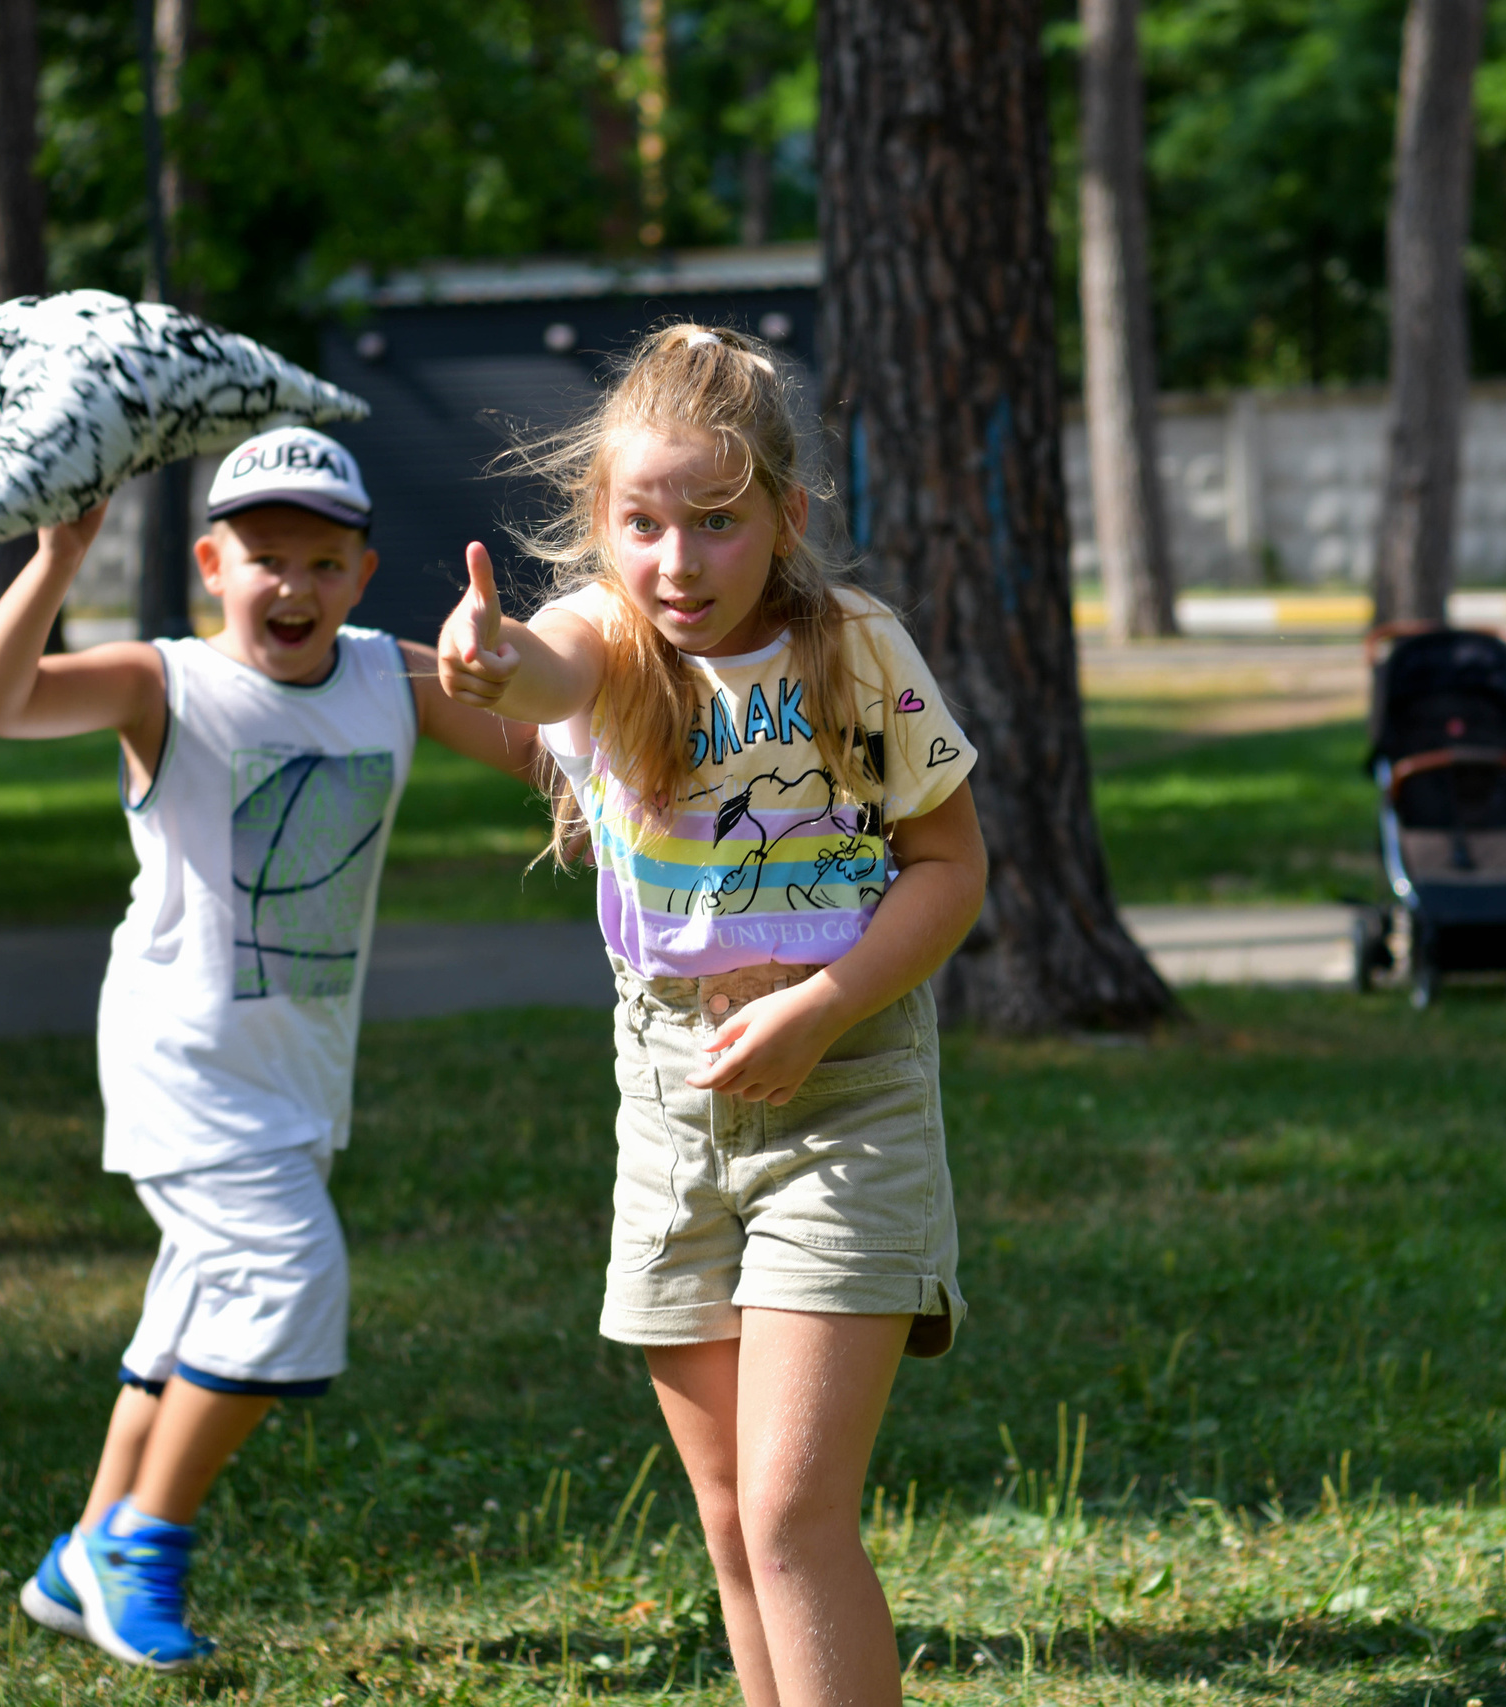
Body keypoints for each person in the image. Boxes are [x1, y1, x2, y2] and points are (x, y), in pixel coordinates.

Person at [437, 324, 989, 1707]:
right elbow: (550, 672)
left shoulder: (844, 656)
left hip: (844, 1088)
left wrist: (825, 1003)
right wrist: (494, 657)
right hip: (669, 1093)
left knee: (797, 1513)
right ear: (601, 523)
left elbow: (949, 866)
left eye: (718, 523)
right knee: (736, 1523)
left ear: (786, 519)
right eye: (642, 523)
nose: (677, 562)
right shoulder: (613, 645)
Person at [0, 426, 542, 1670]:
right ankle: (142, 1549)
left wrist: (530, 697)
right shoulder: (161, 682)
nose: (296, 587)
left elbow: (548, 760)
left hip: (299, 1067)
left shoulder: (394, 676)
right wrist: (59, 556)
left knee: (199, 1304)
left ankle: (79, 1555)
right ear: (213, 564)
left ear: (365, 575)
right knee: (285, 1279)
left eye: (325, 562)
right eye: (266, 557)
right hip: (181, 1055)